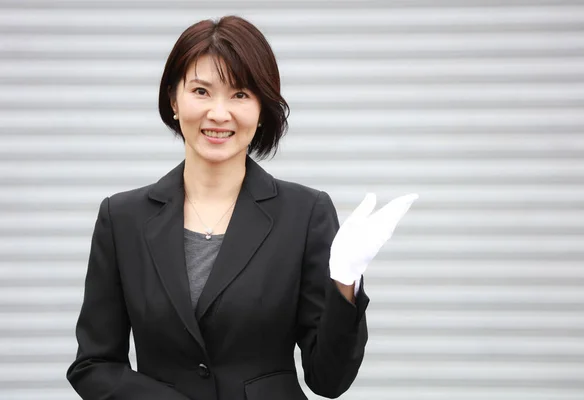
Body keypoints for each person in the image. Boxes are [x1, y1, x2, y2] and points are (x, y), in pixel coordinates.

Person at [66, 15, 417, 400]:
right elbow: (93, 365)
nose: (219, 113)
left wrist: (344, 281)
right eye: (201, 91)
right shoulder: (123, 218)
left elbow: (328, 380)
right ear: (173, 99)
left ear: (262, 108)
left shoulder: (305, 213)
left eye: (240, 94)